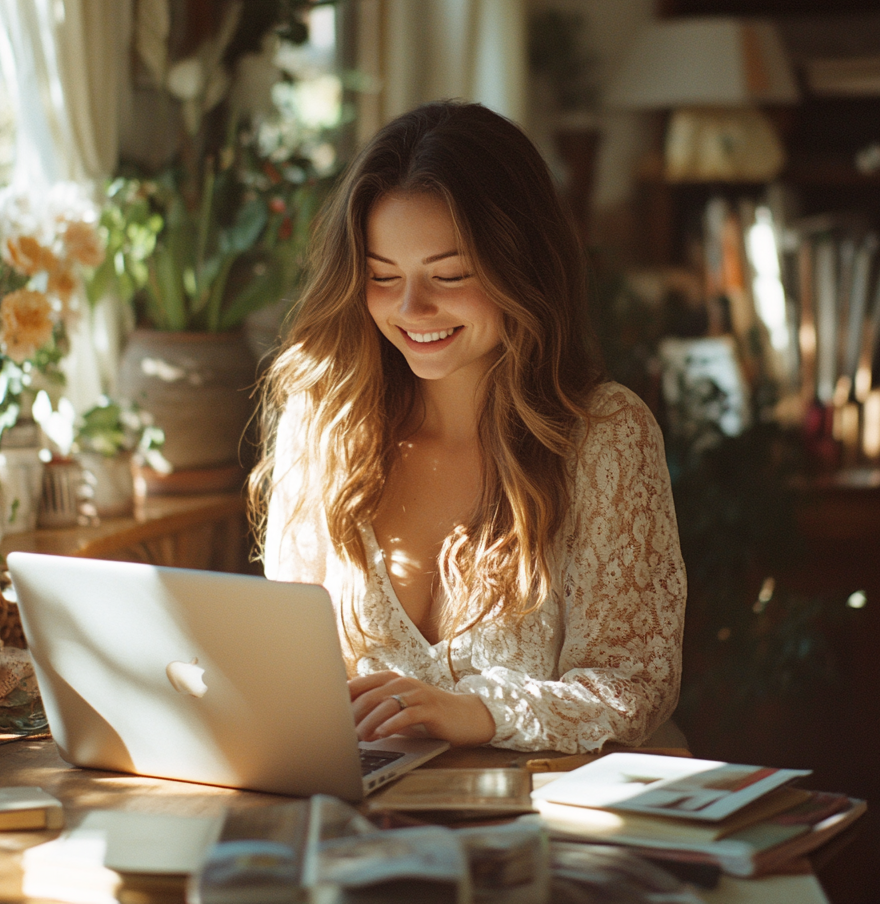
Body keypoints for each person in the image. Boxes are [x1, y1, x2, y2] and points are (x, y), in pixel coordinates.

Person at [251, 101, 685, 755]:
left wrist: (475, 713)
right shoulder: (322, 425)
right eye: (382, 276)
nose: (410, 309)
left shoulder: (606, 436)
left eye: (449, 275)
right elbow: (288, 673)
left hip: (534, 825)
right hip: (359, 822)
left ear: (522, 266)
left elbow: (633, 687)